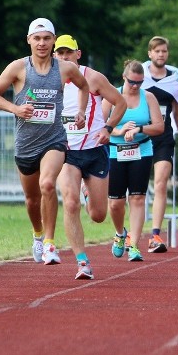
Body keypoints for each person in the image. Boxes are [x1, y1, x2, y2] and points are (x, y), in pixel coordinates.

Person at [0, 17, 89, 268]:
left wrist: (82, 112)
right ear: (29, 40)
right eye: (37, 38)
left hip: (54, 140)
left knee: (48, 184)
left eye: (47, 38)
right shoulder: (18, 68)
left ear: (53, 40)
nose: (42, 43)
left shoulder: (64, 69)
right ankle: (38, 234)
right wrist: (16, 109)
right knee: (32, 200)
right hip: (25, 144)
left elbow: (84, 87)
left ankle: (51, 244)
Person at [53, 34, 127, 279]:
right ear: (54, 55)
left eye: (68, 53)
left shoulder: (93, 78)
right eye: (60, 53)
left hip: (95, 151)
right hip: (67, 154)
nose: (64, 58)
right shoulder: (50, 82)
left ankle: (89, 191)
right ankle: (82, 261)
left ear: (78, 54)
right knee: (70, 202)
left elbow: (120, 102)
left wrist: (107, 129)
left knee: (98, 215)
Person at [103, 60, 165, 262]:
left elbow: (159, 127)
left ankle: (134, 244)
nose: (135, 86)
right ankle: (120, 233)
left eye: (139, 82)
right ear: (124, 78)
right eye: (132, 82)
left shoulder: (148, 97)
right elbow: (101, 127)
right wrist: (119, 131)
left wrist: (139, 129)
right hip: (116, 152)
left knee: (137, 198)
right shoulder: (112, 96)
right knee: (115, 204)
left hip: (141, 150)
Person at [141, 36, 178, 253]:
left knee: (161, 184)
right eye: (157, 51)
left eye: (164, 51)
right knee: (135, 189)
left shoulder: (176, 79)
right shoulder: (138, 75)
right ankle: (125, 233)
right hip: (140, 136)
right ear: (150, 54)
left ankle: (155, 235)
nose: (161, 55)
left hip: (163, 137)